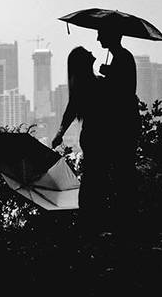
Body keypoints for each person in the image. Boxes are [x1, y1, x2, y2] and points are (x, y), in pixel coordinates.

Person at [51, 46, 107, 229]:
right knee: (95, 177)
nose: (92, 52)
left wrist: (60, 134)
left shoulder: (86, 83)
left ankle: (89, 216)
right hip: (96, 136)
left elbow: (70, 111)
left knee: (93, 176)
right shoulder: (89, 83)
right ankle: (91, 217)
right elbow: (71, 110)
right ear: (84, 61)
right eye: (87, 52)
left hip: (91, 135)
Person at [95, 26, 140, 234]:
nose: (97, 38)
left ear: (111, 36)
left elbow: (122, 90)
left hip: (123, 124)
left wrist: (108, 73)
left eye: (101, 34)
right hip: (125, 122)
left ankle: (126, 220)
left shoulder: (122, 58)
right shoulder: (121, 57)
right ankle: (125, 218)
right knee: (123, 170)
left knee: (123, 171)